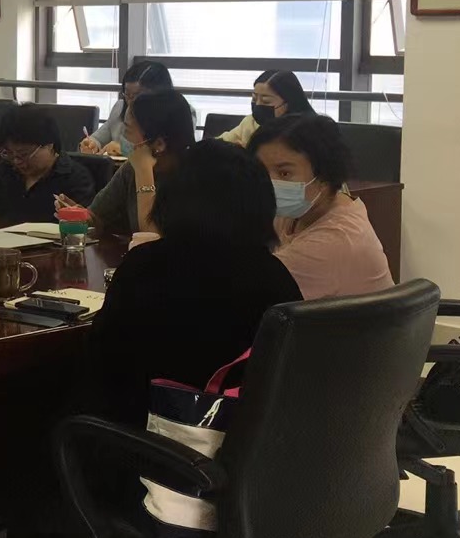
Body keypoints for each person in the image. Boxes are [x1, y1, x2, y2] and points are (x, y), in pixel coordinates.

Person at [84, 140, 302, 429]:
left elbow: (102, 363)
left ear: (172, 200)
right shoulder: (275, 276)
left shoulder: (146, 266)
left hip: (146, 436)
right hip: (247, 441)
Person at [250, 114, 394, 300]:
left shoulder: (333, 241)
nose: (270, 183)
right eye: (261, 171)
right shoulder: (303, 208)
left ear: (324, 177)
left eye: (284, 173)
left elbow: (248, 292)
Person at [78, 89, 195, 234]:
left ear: (159, 144)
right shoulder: (131, 169)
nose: (122, 138)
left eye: (127, 131)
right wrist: (81, 216)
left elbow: (153, 239)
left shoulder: (195, 178)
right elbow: (99, 216)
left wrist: (143, 171)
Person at [0, 104, 95, 225]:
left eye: (24, 154)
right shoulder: (5, 170)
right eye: (9, 153)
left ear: (49, 144)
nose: (16, 161)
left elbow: (86, 227)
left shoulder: (76, 179)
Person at [79, 61, 173, 157]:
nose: (131, 101)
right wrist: (91, 144)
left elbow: (166, 155)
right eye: (127, 94)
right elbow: (98, 138)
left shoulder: (172, 116)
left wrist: (125, 150)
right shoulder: (120, 108)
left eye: (137, 96)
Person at [218, 70, 316, 147]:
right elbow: (218, 144)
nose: (257, 104)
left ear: (287, 103)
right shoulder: (250, 123)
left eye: (266, 101)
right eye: (254, 99)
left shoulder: (308, 131)